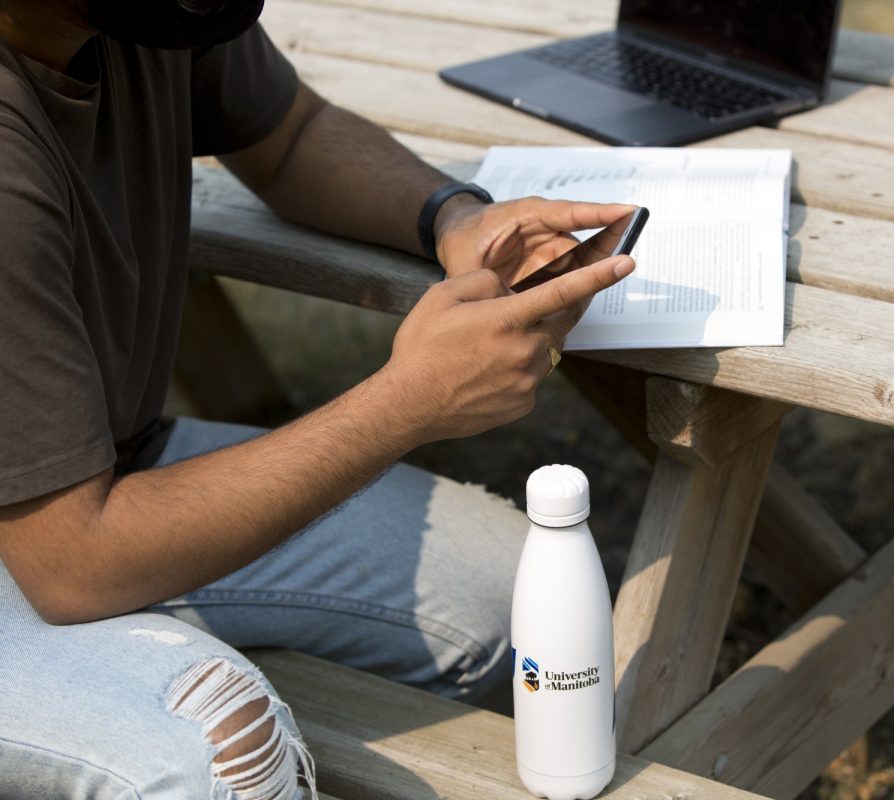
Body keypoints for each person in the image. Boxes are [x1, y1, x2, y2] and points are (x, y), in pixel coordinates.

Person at [0, 0, 636, 796]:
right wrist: (405, 404)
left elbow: (289, 133)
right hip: (44, 539)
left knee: (519, 597)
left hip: (95, 472)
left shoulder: (147, 16)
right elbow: (70, 563)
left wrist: (455, 217)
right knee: (226, 758)